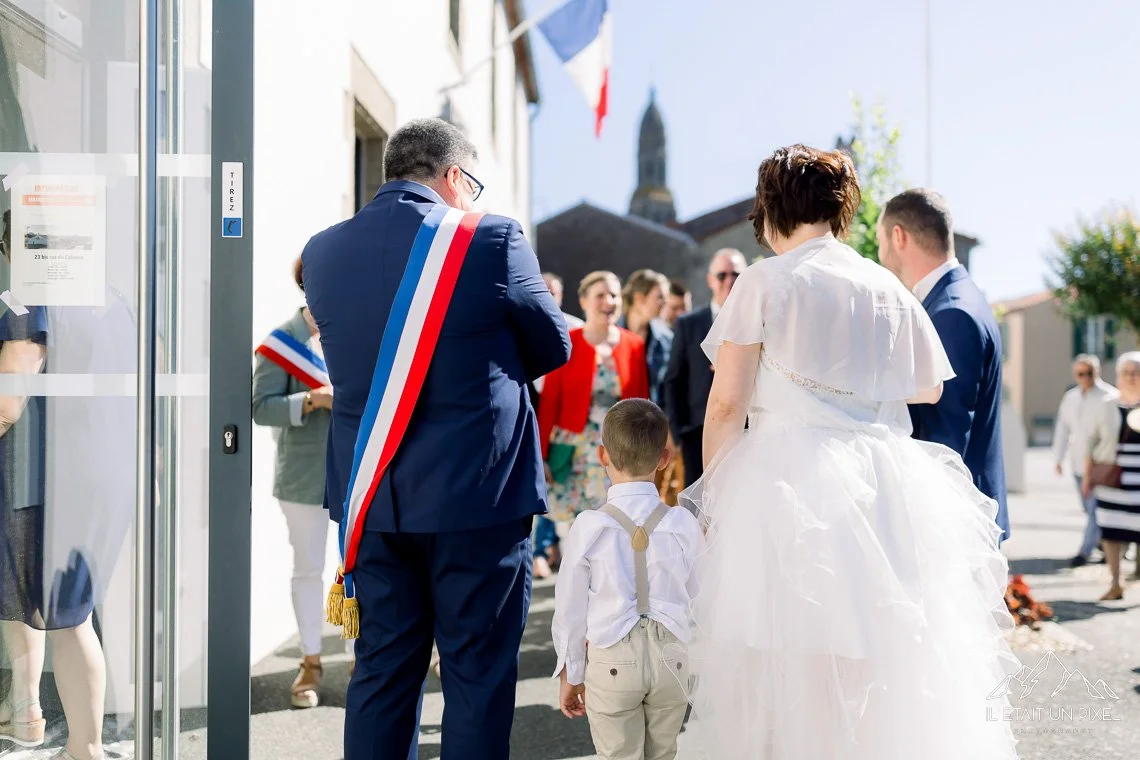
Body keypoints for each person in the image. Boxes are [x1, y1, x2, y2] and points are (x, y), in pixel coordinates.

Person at [681, 144, 1016, 759]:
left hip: (787, 484)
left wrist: (716, 505)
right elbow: (928, 385)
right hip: (884, 481)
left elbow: (725, 406)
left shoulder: (765, 281)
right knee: (879, 662)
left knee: (790, 665)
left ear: (772, 208)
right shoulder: (885, 285)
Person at [301, 118, 570, 759]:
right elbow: (554, 343)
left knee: (383, 676)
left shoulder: (323, 251)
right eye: (471, 184)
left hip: (375, 498)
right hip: (476, 496)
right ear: (453, 177)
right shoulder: (494, 236)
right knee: (476, 677)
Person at [552, 399, 700, 760]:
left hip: (612, 659)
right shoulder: (682, 523)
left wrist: (571, 670)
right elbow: (703, 597)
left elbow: (570, 608)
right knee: (663, 752)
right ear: (664, 458)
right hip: (673, 660)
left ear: (603, 456)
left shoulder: (589, 526)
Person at [878, 189, 1011, 541]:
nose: (880, 256)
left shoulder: (951, 313)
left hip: (956, 524)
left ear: (898, 236)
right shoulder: (960, 297)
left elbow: (946, 438)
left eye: (879, 242)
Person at [252, 258, 339, 709]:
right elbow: (259, 407)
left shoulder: (355, 331)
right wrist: (311, 399)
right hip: (304, 476)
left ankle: (366, 657)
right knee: (308, 570)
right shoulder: (281, 343)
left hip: (356, 472)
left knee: (365, 571)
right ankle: (311, 660)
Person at [538, 271, 650, 523]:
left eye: (613, 295)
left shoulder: (634, 345)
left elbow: (643, 403)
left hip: (617, 455)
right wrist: (542, 456)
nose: (608, 301)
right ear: (583, 301)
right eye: (600, 295)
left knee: (616, 525)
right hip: (573, 457)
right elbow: (549, 403)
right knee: (573, 532)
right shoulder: (566, 342)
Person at [663, 249, 746, 487]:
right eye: (722, 275)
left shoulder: (756, 321)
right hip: (696, 433)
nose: (729, 281)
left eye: (736, 275)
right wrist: (676, 432)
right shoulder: (688, 323)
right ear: (710, 280)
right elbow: (674, 379)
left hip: (744, 431)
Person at [531, 272, 584, 577]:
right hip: (538, 407)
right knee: (544, 481)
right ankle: (540, 549)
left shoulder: (575, 327)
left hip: (568, 414)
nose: (550, 297)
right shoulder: (527, 324)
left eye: (555, 292)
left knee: (563, 482)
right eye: (544, 291)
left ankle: (560, 548)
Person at [1084, 352, 1140, 601]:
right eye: (1126, 372)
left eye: (1136, 372)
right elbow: (1090, 442)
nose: (1131, 377)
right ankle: (1116, 583)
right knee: (1111, 530)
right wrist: (1087, 477)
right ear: (1118, 377)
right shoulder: (1105, 404)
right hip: (1111, 477)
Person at [1053, 354, 1116, 566]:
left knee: (1095, 509)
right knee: (1088, 508)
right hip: (1078, 463)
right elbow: (1063, 428)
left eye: (1089, 373)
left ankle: (1084, 552)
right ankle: (1106, 544)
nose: (1085, 378)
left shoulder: (1110, 396)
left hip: (1102, 463)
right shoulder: (1071, 398)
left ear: (1097, 372)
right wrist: (1058, 458)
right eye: (1080, 374)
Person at [618, 269, 673, 407]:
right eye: (660, 297)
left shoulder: (666, 340)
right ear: (639, 298)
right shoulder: (611, 336)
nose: (665, 302)